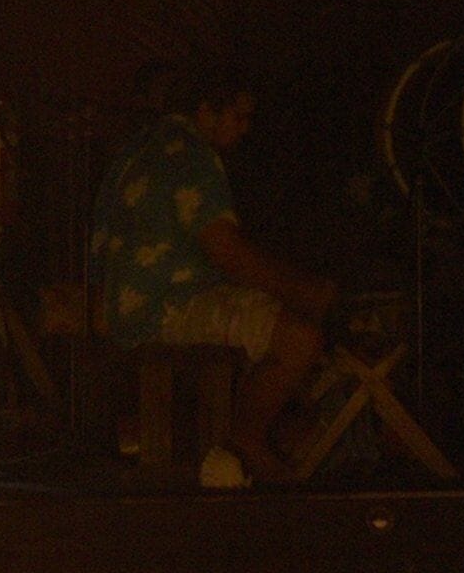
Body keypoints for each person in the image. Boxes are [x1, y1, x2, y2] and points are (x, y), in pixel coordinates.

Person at [92, 64, 332, 484]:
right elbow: (226, 250)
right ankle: (245, 442)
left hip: (125, 308)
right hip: (165, 309)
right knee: (297, 337)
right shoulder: (192, 155)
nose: (244, 129)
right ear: (206, 112)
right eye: (238, 117)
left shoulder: (139, 148)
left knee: (266, 315)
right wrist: (302, 290)